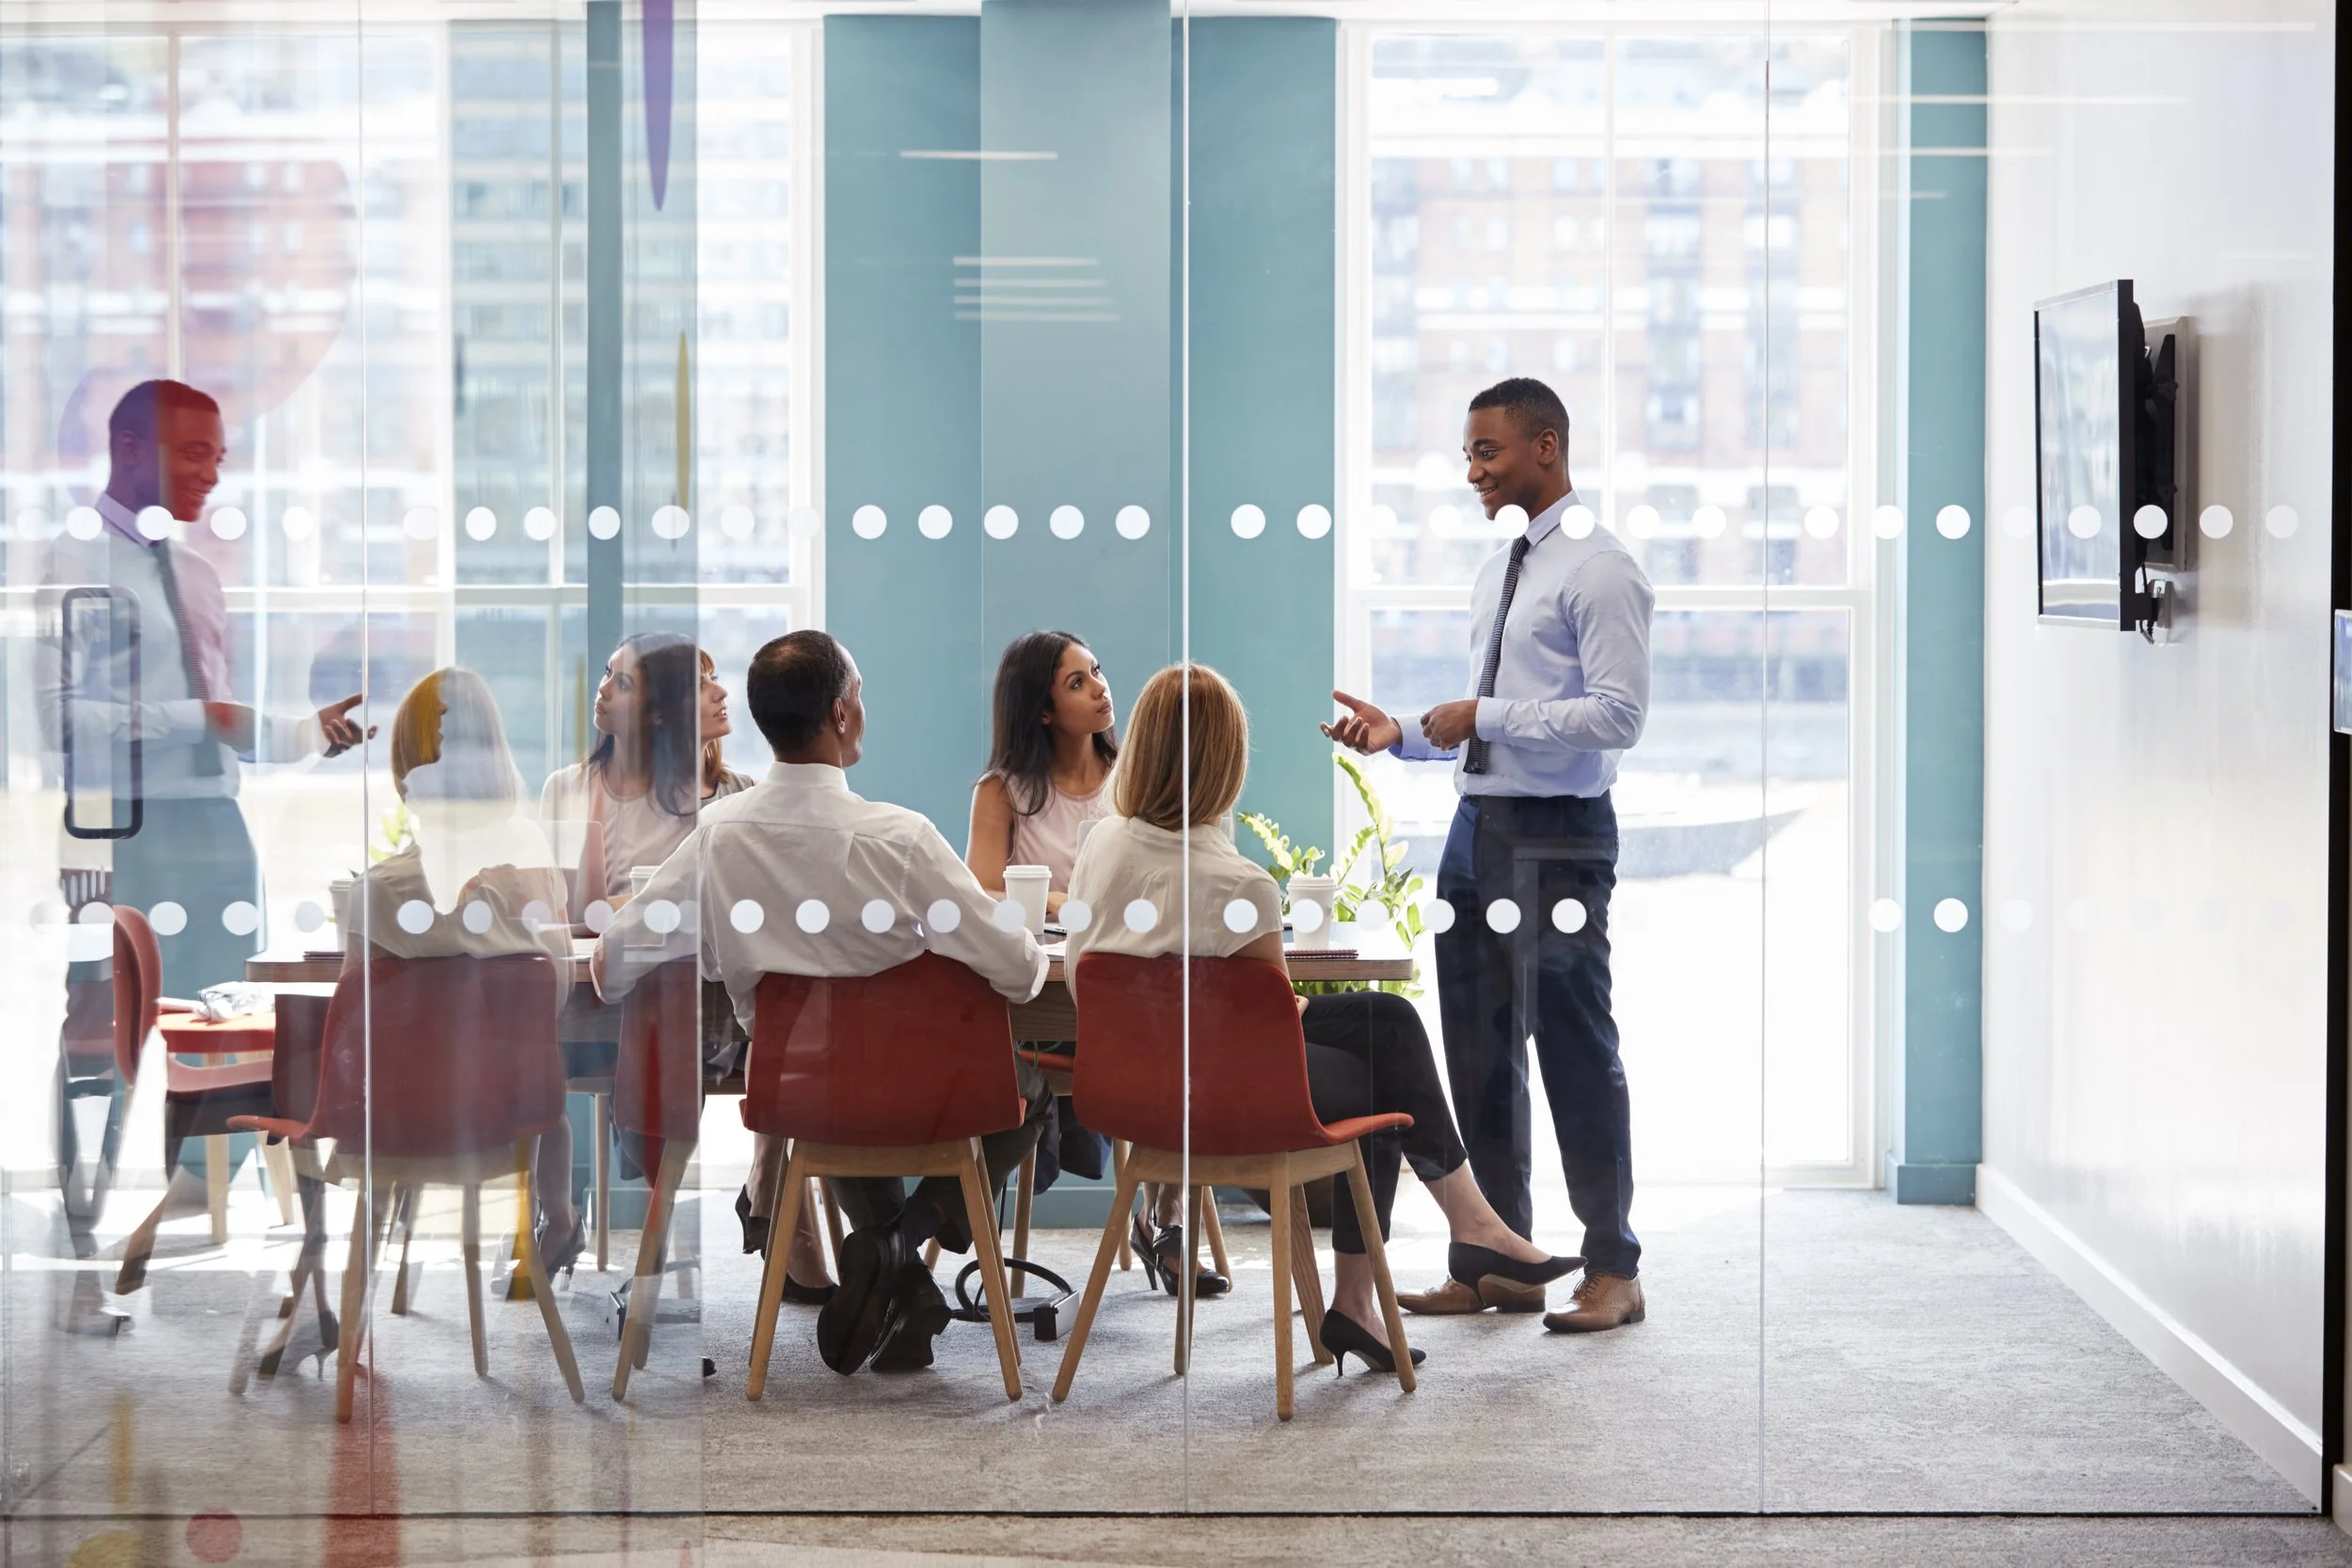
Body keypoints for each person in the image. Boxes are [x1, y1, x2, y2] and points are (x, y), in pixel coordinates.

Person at [1067, 663, 1580, 1375]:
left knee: (1387, 1021)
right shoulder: (1240, 885)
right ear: (1226, 763)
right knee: (1382, 1065)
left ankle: (1455, 1243)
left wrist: (1263, 1007)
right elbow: (1271, 1018)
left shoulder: (1101, 846)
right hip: (1225, 1095)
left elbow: (1099, 974)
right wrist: (1271, 1007)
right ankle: (1430, 1254)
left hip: (1132, 1088)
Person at [592, 630, 1053, 1377]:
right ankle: (905, 1242)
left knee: (831, 1098)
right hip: (923, 1093)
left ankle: (897, 1278)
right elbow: (1019, 972)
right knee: (1030, 1093)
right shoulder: (900, 838)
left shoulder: (715, 839)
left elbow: (612, 967)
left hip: (798, 1097)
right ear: (841, 714)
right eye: (861, 696)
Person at [1325, 375, 1655, 1334]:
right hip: (1478, 833)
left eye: (1487, 451)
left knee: (1575, 1050)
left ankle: (1614, 1266)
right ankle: (1498, 1259)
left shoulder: (1599, 568)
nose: (1471, 468)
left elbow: (1618, 716)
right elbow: (1495, 721)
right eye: (1469, 452)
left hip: (1556, 841)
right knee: (1475, 1055)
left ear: (1545, 446)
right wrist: (1407, 735)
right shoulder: (1504, 565)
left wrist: (1487, 715)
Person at [39, 380, 369, 998]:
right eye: (194, 454)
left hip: (219, 826)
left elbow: (220, 725)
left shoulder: (199, 575)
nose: (212, 476)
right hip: (123, 828)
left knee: (229, 1022)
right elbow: (57, 722)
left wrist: (303, 735)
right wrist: (199, 717)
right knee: (104, 1031)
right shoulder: (73, 564)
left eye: (218, 458)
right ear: (129, 448)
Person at [351, 669, 577, 1261]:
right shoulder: (531, 857)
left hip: (409, 1116)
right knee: (533, 1056)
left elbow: (356, 1021)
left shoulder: (381, 890)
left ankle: (355, 1270)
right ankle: (561, 1218)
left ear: (408, 765)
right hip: (520, 1111)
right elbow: (553, 994)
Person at [965, 629, 1118, 917]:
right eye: (1077, 684)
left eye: (1095, 670)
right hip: (1042, 955)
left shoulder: (1133, 778)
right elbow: (977, 895)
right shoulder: (999, 791)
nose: (1100, 688)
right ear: (1043, 712)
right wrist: (1044, 900)